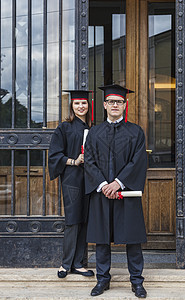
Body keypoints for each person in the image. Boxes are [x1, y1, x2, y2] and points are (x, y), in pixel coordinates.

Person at [84, 84, 147, 298]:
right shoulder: (94, 132)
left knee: (132, 239)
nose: (115, 105)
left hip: (126, 192)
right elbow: (89, 161)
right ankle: (102, 280)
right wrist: (103, 185)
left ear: (124, 105)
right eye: (111, 102)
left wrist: (118, 183)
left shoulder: (135, 131)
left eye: (119, 102)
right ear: (104, 105)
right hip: (102, 193)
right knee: (102, 238)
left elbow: (138, 161)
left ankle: (137, 281)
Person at [48, 90, 94, 278]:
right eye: (77, 104)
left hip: (90, 179)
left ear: (88, 106)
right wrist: (75, 161)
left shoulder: (93, 129)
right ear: (71, 106)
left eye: (83, 103)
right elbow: (55, 155)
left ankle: (79, 263)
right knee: (73, 221)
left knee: (84, 221)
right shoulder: (64, 128)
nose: (80, 107)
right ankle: (65, 264)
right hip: (72, 179)